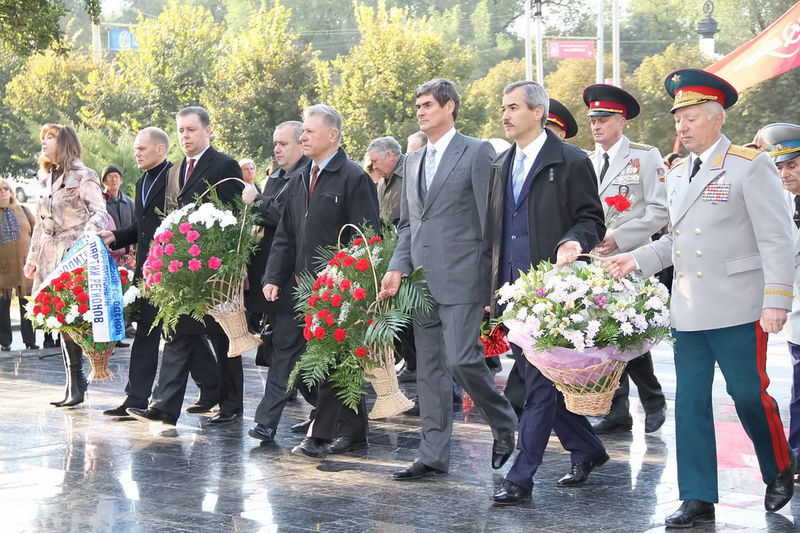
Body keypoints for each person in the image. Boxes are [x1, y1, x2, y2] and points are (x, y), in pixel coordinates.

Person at [604, 68, 796, 527]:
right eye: (678, 119)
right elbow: (677, 238)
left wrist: (777, 300)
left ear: (716, 118)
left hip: (740, 303)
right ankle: (696, 496)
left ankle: (779, 467)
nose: (681, 127)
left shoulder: (751, 165)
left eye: (690, 117)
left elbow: (778, 238)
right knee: (689, 403)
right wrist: (637, 259)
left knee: (749, 395)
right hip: (689, 308)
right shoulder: (674, 171)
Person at [380, 78, 517, 480]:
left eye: (427, 105)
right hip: (420, 283)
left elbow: (490, 220)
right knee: (431, 372)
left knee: (462, 360)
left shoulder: (477, 152)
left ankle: (503, 419)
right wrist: (396, 266)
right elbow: (408, 225)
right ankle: (433, 454)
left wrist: (492, 284)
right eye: (418, 106)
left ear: (450, 107)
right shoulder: (413, 161)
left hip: (463, 278)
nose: (421, 111)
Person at [484, 81, 607, 505]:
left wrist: (573, 240)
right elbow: (495, 233)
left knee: (537, 386)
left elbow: (592, 218)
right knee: (543, 382)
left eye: (513, 106)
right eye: (503, 107)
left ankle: (521, 477)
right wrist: (492, 289)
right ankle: (588, 448)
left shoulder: (570, 161)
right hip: (512, 295)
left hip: (551, 296)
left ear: (538, 112)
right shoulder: (500, 165)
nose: (505, 114)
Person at [263, 104, 380, 458]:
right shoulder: (300, 178)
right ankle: (354, 431)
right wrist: (274, 276)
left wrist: (352, 282)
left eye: (310, 132)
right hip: (303, 287)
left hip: (340, 288)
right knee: (332, 362)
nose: (303, 137)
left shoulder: (353, 177)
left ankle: (320, 434)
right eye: (303, 132)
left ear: (332, 135)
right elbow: (285, 234)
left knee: (328, 360)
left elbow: (366, 236)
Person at [127, 107, 244, 426]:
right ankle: (164, 406)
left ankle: (232, 404)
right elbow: (171, 218)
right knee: (178, 332)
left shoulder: (223, 165)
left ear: (207, 130)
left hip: (215, 269)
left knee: (223, 338)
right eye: (181, 130)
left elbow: (235, 216)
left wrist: (227, 262)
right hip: (185, 271)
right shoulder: (177, 170)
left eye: (191, 130)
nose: (185, 136)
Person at [100, 127, 219, 418]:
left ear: (160, 150)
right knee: (156, 332)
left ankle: (213, 386)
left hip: (171, 269)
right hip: (147, 270)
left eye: (142, 148)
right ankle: (137, 397)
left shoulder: (175, 178)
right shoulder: (142, 181)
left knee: (178, 332)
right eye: (135, 148)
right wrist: (116, 236)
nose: (136, 153)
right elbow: (144, 227)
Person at [582, 84, 669, 435]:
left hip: (632, 259)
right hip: (595, 262)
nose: (596, 125)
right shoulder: (587, 161)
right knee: (603, 335)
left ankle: (652, 399)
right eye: (593, 120)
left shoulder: (644, 157)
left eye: (603, 119)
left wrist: (620, 237)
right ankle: (617, 410)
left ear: (622, 121)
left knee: (630, 332)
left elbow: (660, 210)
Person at [24, 124, 109, 407]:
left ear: (65, 143)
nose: (44, 143)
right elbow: (39, 224)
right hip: (50, 254)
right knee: (58, 319)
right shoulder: (46, 178)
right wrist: (33, 259)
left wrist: (87, 236)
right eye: (43, 138)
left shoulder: (85, 175)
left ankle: (80, 380)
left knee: (72, 317)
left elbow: (100, 212)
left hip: (75, 253)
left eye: (50, 137)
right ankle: (74, 382)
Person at [245, 120, 316, 443]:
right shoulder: (276, 177)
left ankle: (266, 421)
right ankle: (330, 415)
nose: (276, 149)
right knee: (293, 356)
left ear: (302, 144)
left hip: (297, 281)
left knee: (287, 353)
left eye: (283, 143)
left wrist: (256, 201)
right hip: (274, 280)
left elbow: (285, 219)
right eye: (274, 143)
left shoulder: (307, 176)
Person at [756, 122, 800, 483]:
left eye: (792, 165)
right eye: (780, 167)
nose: (785, 174)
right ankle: (797, 453)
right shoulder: (780, 200)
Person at [366, 136, 417, 385]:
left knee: (410, 315)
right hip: (390, 248)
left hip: (409, 251)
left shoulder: (410, 173)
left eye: (375, 160)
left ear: (390, 155)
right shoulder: (383, 181)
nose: (373, 166)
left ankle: (416, 364)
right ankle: (410, 361)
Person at [0, 178, 37, 351]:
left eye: (6, 188)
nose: (3, 192)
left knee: (27, 304)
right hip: (3, 268)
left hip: (25, 267)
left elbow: (37, 233)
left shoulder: (23, 210)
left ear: (11, 191)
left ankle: (30, 340)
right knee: (2, 305)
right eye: (0, 189)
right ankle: (4, 342)